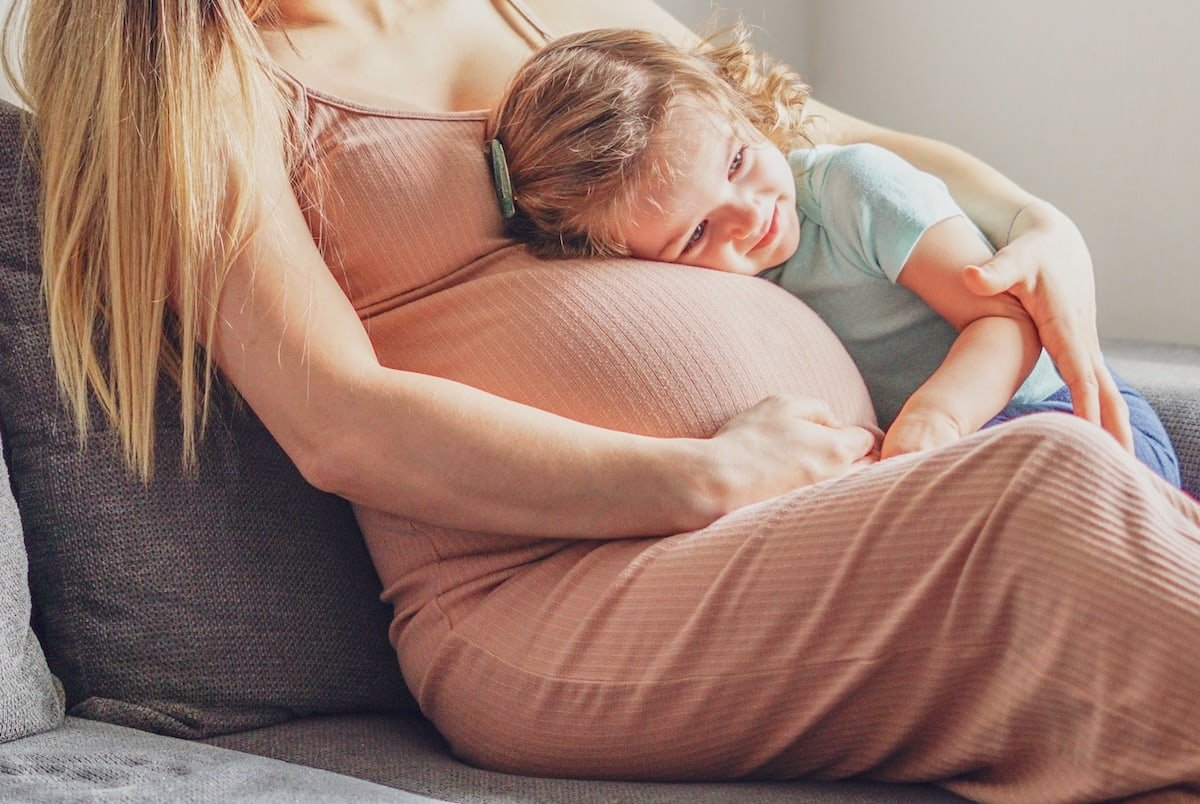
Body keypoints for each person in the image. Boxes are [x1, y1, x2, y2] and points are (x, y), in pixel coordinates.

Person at [8, 1, 1200, 801]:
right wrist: (697, 475)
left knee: (1069, 490)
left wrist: (1047, 229)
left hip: (782, 520)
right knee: (1043, 492)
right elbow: (338, 418)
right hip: (540, 593)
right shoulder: (185, 69)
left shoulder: (521, 5)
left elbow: (823, 138)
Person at [484, 26, 1181, 483]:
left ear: (741, 109)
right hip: (940, 461)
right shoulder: (694, 295)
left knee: (1059, 499)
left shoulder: (851, 189)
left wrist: (937, 418)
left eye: (736, 162)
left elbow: (1006, 321)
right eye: (695, 233)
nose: (751, 215)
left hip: (1061, 412)